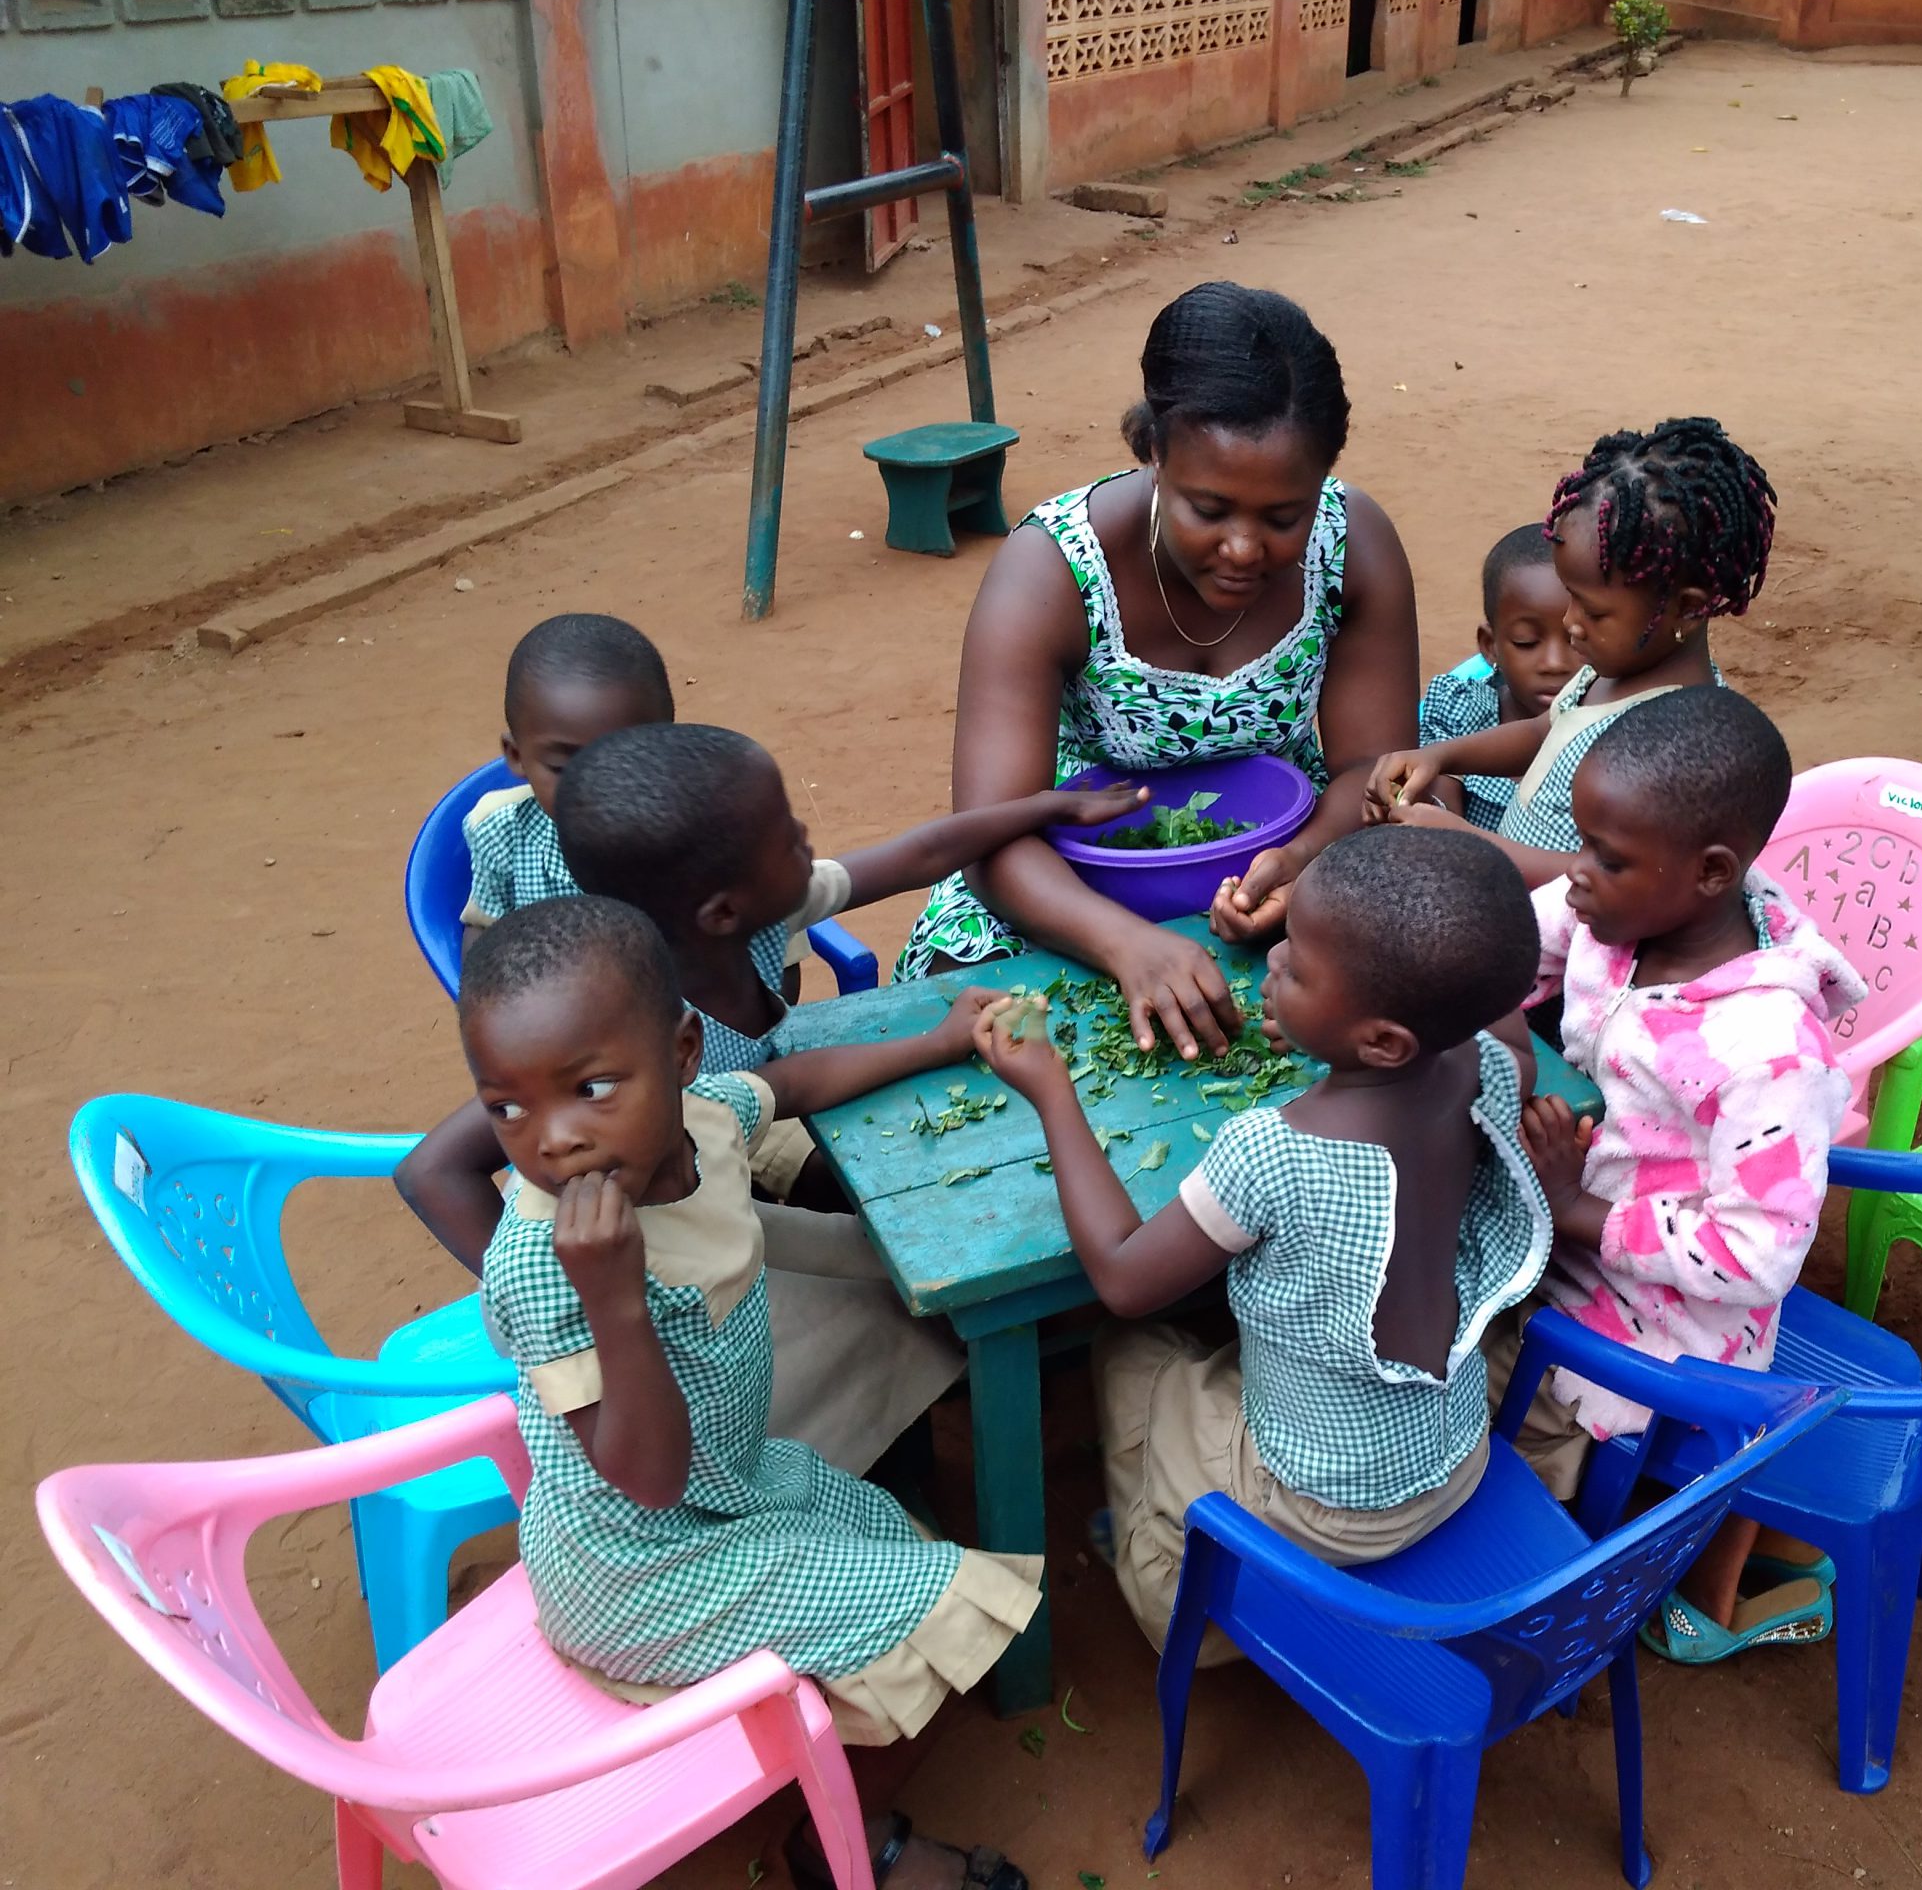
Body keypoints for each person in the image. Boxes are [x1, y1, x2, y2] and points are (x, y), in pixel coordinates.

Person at [439, 897, 1034, 1890]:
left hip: (737, 1484)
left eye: (592, 1088)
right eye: (507, 1108)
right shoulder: (546, 1266)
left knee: (902, 1537)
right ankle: (839, 1839)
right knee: (941, 1609)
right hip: (637, 1565)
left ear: (681, 1054)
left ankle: (802, 1748)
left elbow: (790, 1083)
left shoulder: (705, 1121)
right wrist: (615, 1299)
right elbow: (647, 1479)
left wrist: (938, 1041)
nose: (554, 1141)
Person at [973, 829, 1550, 1657]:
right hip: (1456, 1457)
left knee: (1131, 1354)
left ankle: (1172, 1589)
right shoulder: (1480, 1070)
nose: (1273, 961)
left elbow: (1124, 1280)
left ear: (1385, 1041)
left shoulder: (1272, 1152)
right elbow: (1510, 1035)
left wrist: (1052, 1091)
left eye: (1301, 969)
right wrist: (1335, 1030)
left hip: (1325, 1507)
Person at [896, 282, 1423, 1066]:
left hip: (1288, 861)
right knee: (977, 1039)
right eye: (1208, 510)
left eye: (1284, 517)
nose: (1244, 549)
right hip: (1064, 883)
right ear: (1152, 449)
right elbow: (990, 833)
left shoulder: (1353, 545)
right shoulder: (1053, 571)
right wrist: (1126, 944)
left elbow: (1374, 773)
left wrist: (1300, 862)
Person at [1503, 686, 1866, 1664]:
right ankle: (1760, 1537)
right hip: (1574, 1229)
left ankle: (1626, 1569)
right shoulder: (1624, 913)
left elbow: (1757, 1255)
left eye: (1605, 856)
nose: (1575, 874)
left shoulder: (1766, 1053)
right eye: (1581, 841)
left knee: (1459, 1383)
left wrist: (1578, 1211)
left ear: (1711, 872)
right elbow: (1511, 944)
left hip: (1661, 1329)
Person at [555, 721, 1140, 1208]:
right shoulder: (639, 1032)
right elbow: (788, 1087)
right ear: (723, 912)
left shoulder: (756, 910)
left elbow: (924, 854)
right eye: (785, 838)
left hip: (764, 1098)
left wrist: (1046, 805)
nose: (803, 832)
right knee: (877, 1194)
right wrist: (937, 1043)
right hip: (699, 1181)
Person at [1366, 418, 1777, 891]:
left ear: (1687, 607)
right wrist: (1439, 756)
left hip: (1568, 929)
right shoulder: (1613, 669)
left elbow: (1615, 880)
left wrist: (1467, 842)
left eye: (1594, 612)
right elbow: (1545, 732)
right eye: (1570, 598)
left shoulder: (1675, 744)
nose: (1570, 622)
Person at [460, 612, 675, 947]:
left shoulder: (696, 835)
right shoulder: (502, 833)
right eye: (563, 767)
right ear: (516, 756)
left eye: (627, 763)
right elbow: (484, 931)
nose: (597, 790)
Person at [1415, 523, 1579, 829]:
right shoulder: (1460, 712)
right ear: (1490, 646)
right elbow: (1440, 826)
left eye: (1576, 639)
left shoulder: (1615, 726)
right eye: (1526, 642)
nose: (1555, 664)